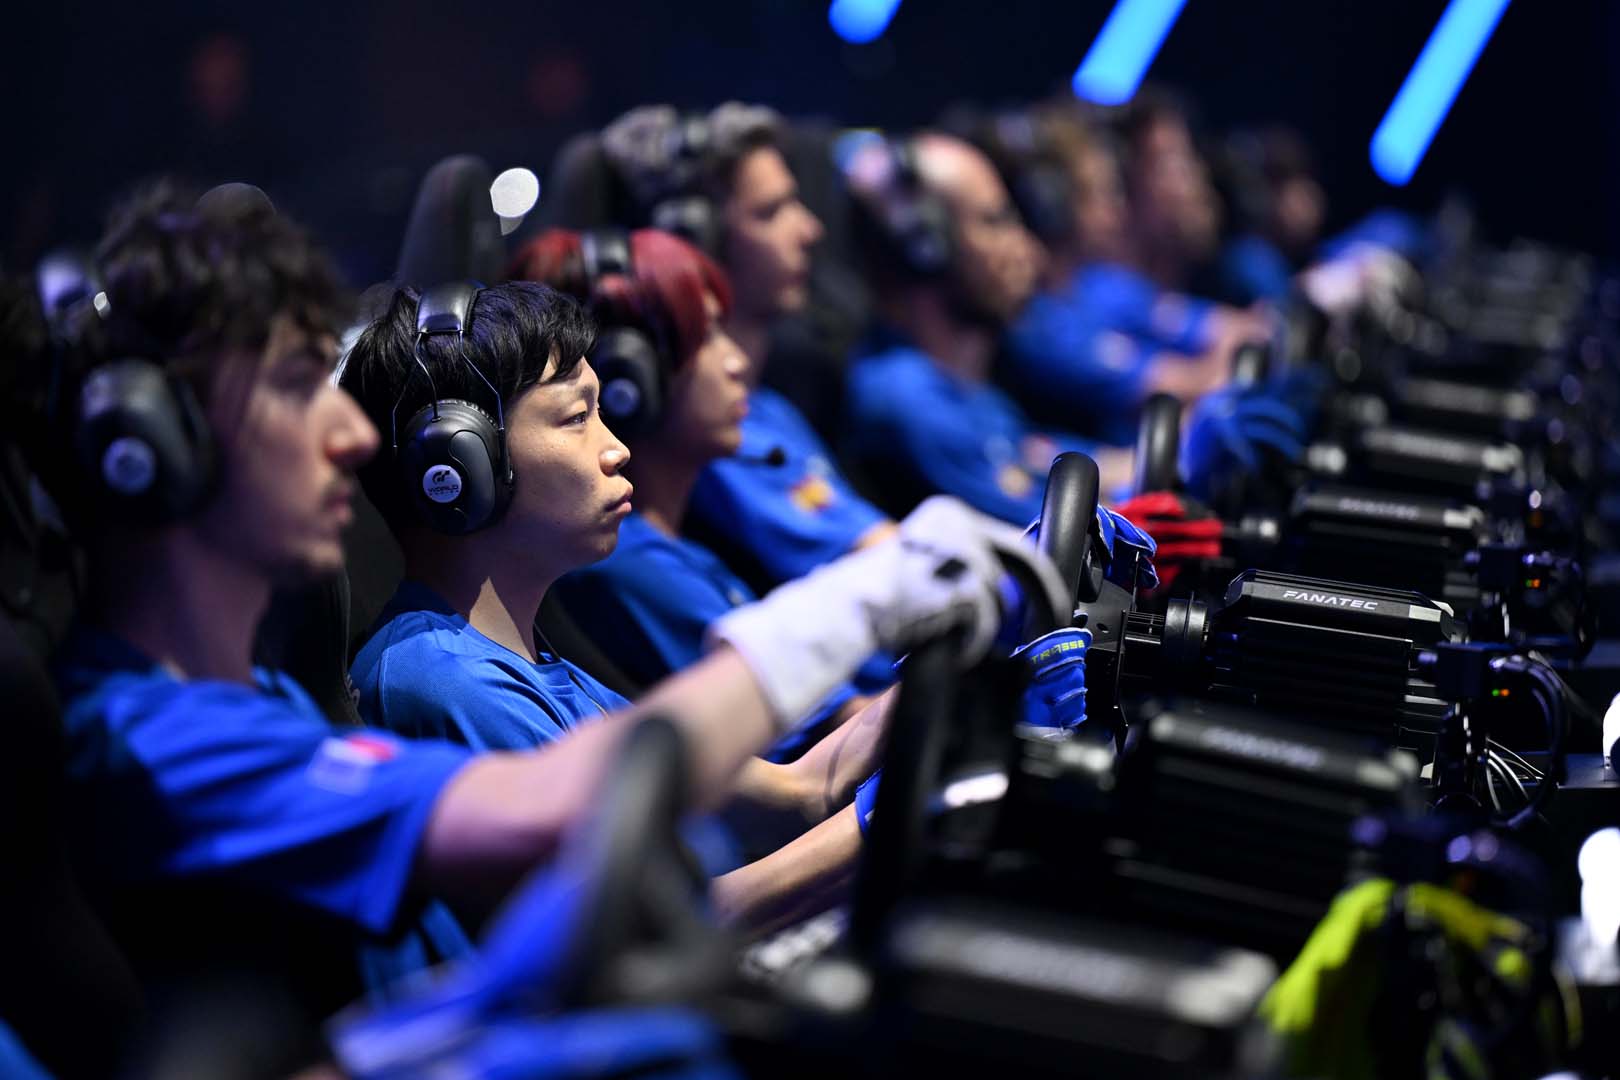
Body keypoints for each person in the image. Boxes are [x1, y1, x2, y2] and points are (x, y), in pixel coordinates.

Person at [36, 180, 1043, 1026]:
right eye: (299, 387)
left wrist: (984, 673)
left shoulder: (268, 701)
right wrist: (860, 611)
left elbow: (796, 788)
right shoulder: (158, 738)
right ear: (155, 451)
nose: (351, 436)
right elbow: (564, 829)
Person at [593, 104, 896, 592]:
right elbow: (894, 572)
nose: (810, 231)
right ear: (696, 241)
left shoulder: (769, 408)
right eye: (770, 212)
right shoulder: (712, 436)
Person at [840, 131, 1134, 524]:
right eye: (995, 222)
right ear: (925, 247)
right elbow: (1054, 531)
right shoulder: (907, 396)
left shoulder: (971, 392)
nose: (1029, 250)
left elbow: (1048, 463)